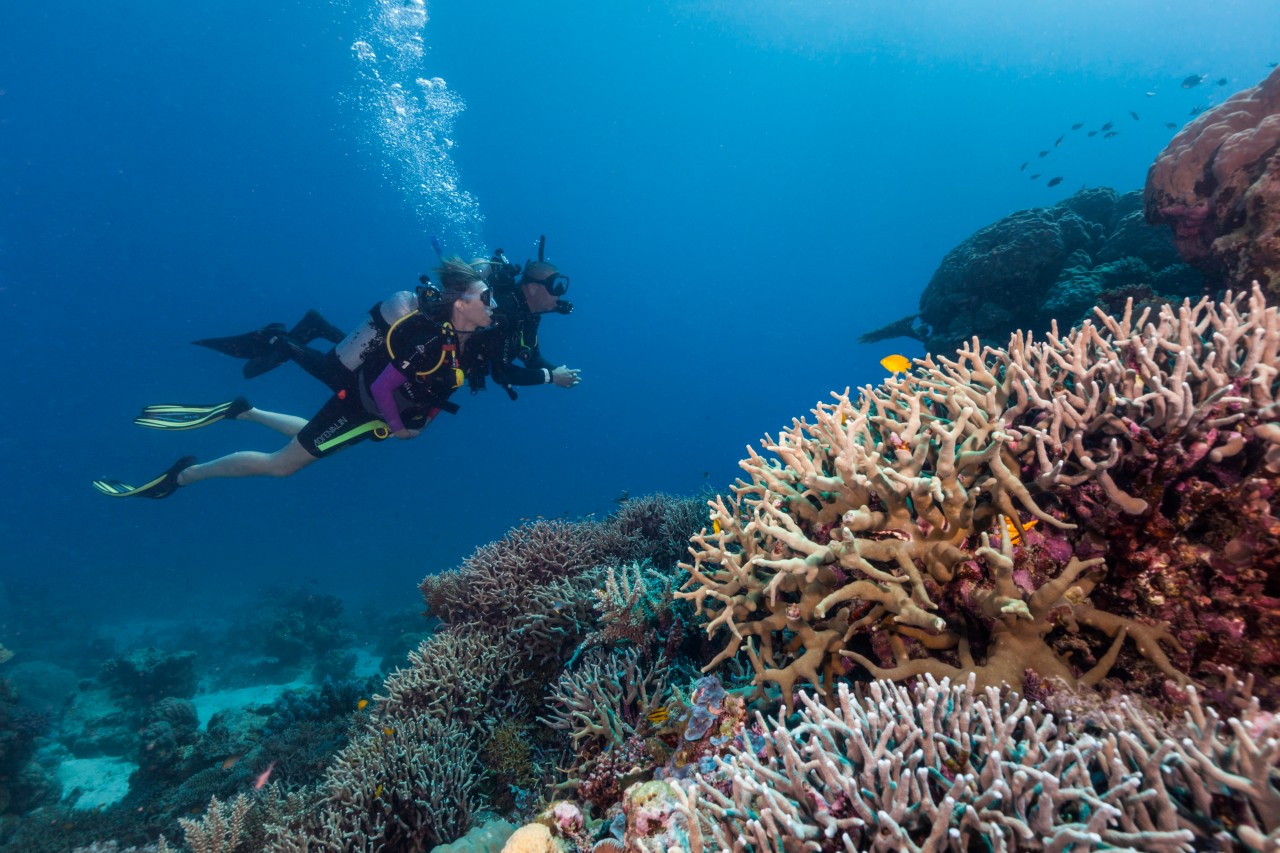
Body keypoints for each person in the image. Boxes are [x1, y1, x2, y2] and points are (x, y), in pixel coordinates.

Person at [92, 259, 495, 499]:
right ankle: (179, 477)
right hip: (362, 406)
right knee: (281, 465)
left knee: (312, 438)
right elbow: (382, 387)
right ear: (461, 304)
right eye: (486, 297)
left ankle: (243, 411)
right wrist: (399, 428)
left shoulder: (464, 337)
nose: (493, 305)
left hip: (371, 413)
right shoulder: (429, 340)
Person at [468, 237, 583, 400]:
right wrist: (551, 377)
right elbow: (501, 372)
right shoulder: (505, 311)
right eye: (554, 286)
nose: (559, 292)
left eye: (561, 285)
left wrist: (558, 373)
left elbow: (532, 359)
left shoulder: (528, 315)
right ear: (534, 288)